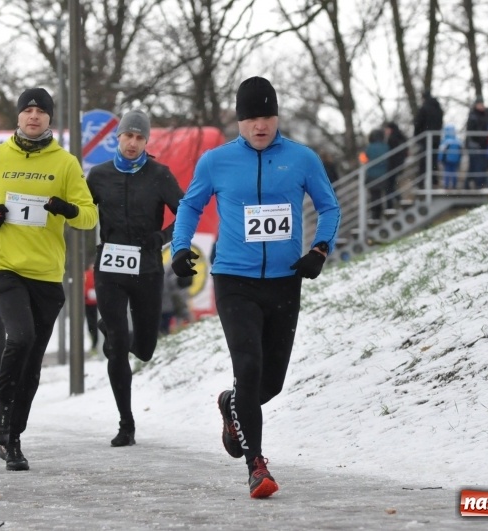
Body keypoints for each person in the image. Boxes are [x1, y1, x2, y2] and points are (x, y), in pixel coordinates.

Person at [170, 76, 341, 499]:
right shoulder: (215, 162)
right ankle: (256, 466)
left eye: (266, 116)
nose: (260, 125)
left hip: (285, 282)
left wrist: (319, 249)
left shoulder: (301, 159)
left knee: (271, 382)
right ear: (239, 121)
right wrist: (179, 247)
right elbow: (191, 205)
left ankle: (232, 406)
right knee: (248, 366)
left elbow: (329, 206)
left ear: (276, 117)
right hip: (234, 281)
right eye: (251, 118)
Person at [0, 88, 98, 471]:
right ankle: (1, 409)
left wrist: (68, 208)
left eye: (41, 111)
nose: (34, 116)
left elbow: (88, 216)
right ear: (18, 117)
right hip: (4, 264)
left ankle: (14, 439)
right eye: (28, 110)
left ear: (50, 119)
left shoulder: (66, 163)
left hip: (46, 273)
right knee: (19, 337)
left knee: (33, 364)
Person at [86, 109, 184, 447]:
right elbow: (83, 213)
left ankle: (117, 334)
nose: (132, 142)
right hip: (110, 267)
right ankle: (126, 424)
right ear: (118, 137)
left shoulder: (159, 174)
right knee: (116, 345)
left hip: (147, 269)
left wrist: (163, 237)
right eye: (128, 135)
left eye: (139, 137)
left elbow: (186, 210)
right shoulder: (98, 176)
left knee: (143, 348)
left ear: (147, 140)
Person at [413, 90, 443, 186]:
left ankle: (421, 183)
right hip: (436, 138)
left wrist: (417, 136)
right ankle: (434, 181)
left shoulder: (424, 108)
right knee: (433, 160)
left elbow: (418, 123)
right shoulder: (438, 108)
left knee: (424, 161)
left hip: (426, 139)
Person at [363, 128, 389, 220]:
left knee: (374, 196)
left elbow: (363, 159)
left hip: (371, 175)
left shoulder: (369, 147)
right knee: (385, 194)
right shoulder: (385, 146)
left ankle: (375, 215)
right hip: (383, 174)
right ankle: (386, 210)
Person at [465, 96, 488, 189]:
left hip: (482, 144)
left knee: (479, 165)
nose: (482, 106)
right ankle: (475, 184)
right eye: (480, 104)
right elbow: (472, 131)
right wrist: (480, 138)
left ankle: (475, 184)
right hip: (475, 144)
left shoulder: (484, 115)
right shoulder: (473, 116)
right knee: (475, 165)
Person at [383, 121, 408, 209]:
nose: (385, 131)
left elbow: (392, 154)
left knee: (389, 186)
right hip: (398, 165)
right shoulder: (401, 138)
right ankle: (398, 201)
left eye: (387, 129)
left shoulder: (392, 139)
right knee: (390, 186)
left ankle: (392, 205)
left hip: (392, 166)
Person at [437, 125, 462, 190]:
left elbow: (442, 152)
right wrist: (459, 159)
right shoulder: (458, 141)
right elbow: (460, 151)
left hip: (447, 161)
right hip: (455, 160)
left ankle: (446, 186)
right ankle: (454, 186)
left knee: (447, 173)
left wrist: (440, 159)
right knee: (454, 173)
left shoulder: (445, 141)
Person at [83, 262, 99, 353]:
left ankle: (96, 343)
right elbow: (83, 285)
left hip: (98, 304)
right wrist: (85, 294)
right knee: (91, 325)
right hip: (88, 303)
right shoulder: (86, 274)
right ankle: (94, 342)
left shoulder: (98, 274)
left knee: (97, 324)